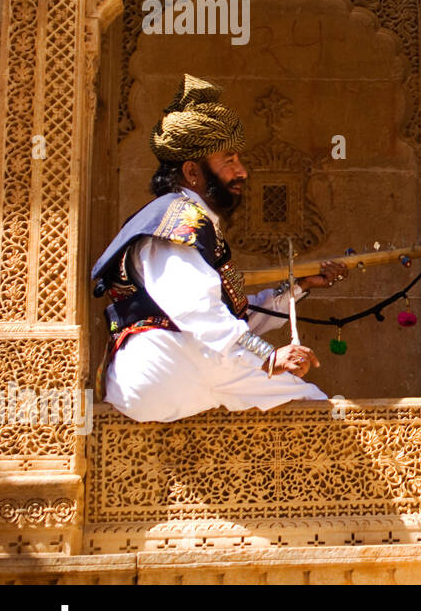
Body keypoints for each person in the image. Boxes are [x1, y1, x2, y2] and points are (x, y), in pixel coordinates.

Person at [91, 74, 347, 423]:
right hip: (167, 361)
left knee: (299, 399)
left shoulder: (191, 222)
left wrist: (297, 288)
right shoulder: (178, 219)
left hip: (168, 374)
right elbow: (196, 311)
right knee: (315, 410)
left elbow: (226, 318)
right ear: (192, 171)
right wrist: (267, 357)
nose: (241, 171)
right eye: (228, 160)